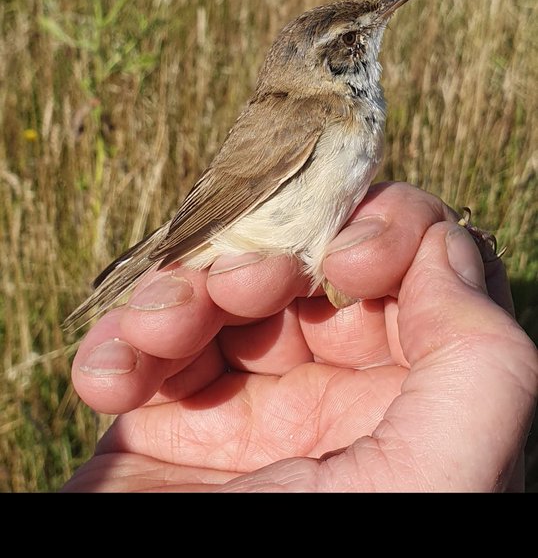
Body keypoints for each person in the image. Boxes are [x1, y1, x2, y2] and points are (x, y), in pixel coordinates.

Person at [63, 183, 538, 492]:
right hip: (235, 225)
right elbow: (228, 199)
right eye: (350, 43)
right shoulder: (314, 111)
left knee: (349, 260)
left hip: (289, 322)